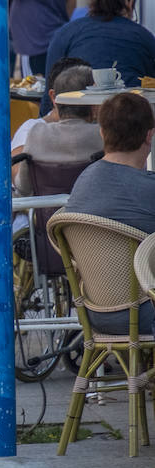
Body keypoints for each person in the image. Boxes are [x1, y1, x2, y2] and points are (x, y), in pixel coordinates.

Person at [64, 92, 155, 334]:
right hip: (147, 310)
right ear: (150, 135)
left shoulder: (82, 181)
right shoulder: (147, 189)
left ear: (102, 133)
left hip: (94, 313)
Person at [46, 0, 155, 90]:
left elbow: (50, 86)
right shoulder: (143, 36)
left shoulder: (66, 32)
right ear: (130, 4)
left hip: (77, 104)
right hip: (128, 104)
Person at [11, 61, 102, 196]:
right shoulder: (103, 136)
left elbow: (23, 187)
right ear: (93, 102)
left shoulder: (35, 132)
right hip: (91, 215)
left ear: (54, 97)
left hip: (47, 215)